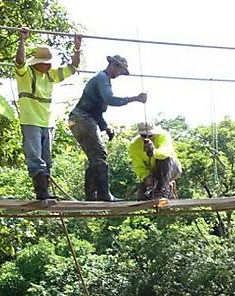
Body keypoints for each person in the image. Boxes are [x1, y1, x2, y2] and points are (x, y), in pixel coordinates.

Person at [68, 55, 147, 201]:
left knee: (95, 157)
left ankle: (91, 195)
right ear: (113, 65)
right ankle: (104, 194)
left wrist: (105, 127)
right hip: (80, 118)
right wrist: (134, 98)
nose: (119, 74)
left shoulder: (103, 80)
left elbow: (96, 110)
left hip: (78, 119)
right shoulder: (102, 78)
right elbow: (110, 99)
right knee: (99, 156)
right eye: (120, 70)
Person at [15, 28, 81, 200]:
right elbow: (20, 61)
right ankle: (41, 193)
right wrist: (22, 40)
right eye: (45, 62)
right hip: (31, 120)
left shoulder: (51, 75)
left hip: (48, 122)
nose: (49, 65)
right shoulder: (26, 73)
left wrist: (77, 48)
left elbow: (72, 68)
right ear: (37, 62)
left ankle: (45, 191)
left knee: (47, 158)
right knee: (35, 157)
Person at [129, 122, 182, 200]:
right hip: (154, 172)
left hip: (171, 168)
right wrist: (146, 177)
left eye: (151, 135)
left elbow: (166, 153)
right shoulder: (134, 145)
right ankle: (165, 189)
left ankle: (163, 191)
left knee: (162, 160)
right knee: (142, 197)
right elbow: (138, 165)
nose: (148, 138)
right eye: (143, 136)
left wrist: (153, 152)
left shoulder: (164, 135)